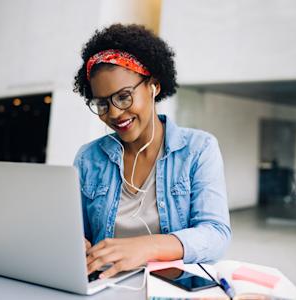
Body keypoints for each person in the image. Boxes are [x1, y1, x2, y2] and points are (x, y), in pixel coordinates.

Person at [73, 24, 231, 279]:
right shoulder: (89, 158)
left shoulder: (198, 149)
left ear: (153, 86)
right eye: (102, 103)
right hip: (103, 287)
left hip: (168, 287)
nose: (113, 113)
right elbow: (78, 232)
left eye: (124, 96)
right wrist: (74, 242)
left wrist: (147, 246)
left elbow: (216, 234)